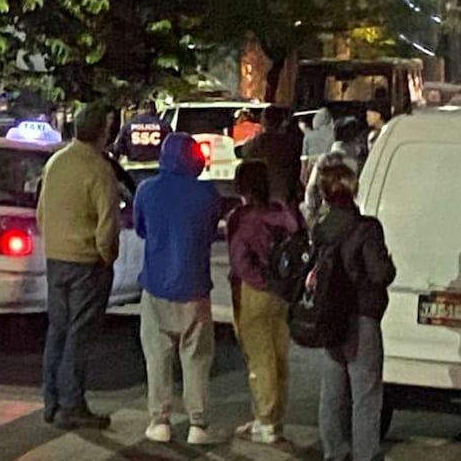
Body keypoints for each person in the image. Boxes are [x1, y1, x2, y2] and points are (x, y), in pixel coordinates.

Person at [133, 132, 223, 445]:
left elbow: (141, 228)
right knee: (196, 358)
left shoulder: (147, 190)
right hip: (195, 285)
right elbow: (210, 231)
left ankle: (160, 420)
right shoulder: (208, 194)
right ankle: (198, 424)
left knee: (157, 356)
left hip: (156, 285)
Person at [36, 103, 121, 431]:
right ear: (104, 131)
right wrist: (107, 256)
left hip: (56, 258)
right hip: (86, 262)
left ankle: (52, 400)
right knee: (79, 334)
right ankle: (72, 404)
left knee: (58, 330)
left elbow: (41, 213)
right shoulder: (99, 169)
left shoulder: (56, 162)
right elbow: (107, 225)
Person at [314, 163, 395, 461]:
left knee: (333, 390)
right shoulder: (367, 228)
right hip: (361, 316)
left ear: (324, 193)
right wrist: (390, 265)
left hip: (330, 315)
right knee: (366, 392)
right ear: (353, 188)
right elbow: (379, 273)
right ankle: (366, 453)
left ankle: (334, 450)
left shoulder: (321, 229)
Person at [226, 160, 300, 444]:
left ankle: (265, 420)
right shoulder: (282, 214)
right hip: (282, 293)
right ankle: (275, 418)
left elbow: (240, 260)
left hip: (253, 292)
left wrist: (259, 282)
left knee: (259, 357)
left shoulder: (241, 218)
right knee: (278, 355)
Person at [241, 105, 303, 206]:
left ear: (263, 122)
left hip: (260, 198)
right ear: (281, 123)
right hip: (284, 196)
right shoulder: (290, 144)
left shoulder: (252, 146)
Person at [301, 108, 335, 180]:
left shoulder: (308, 136)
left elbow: (304, 158)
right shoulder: (334, 135)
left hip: (312, 170)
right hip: (329, 170)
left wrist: (303, 172)